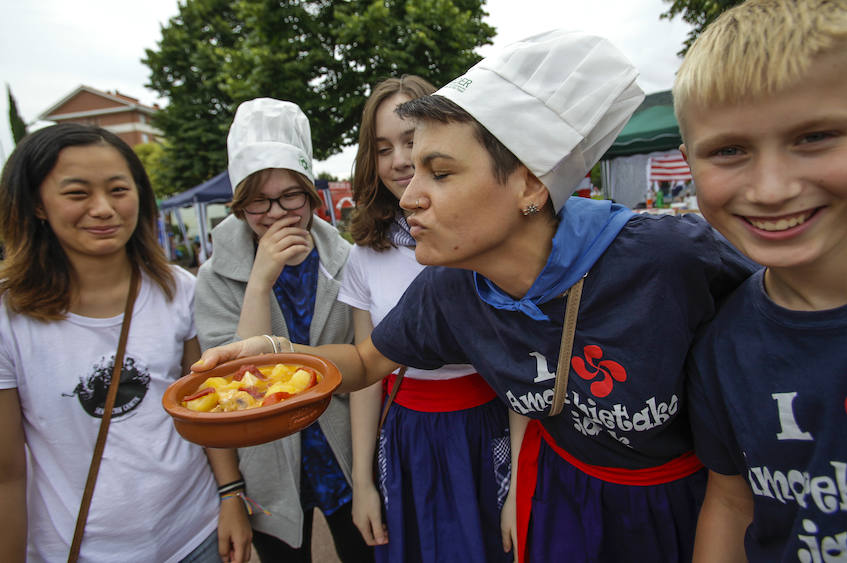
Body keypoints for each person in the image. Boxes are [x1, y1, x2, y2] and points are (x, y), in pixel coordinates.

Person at [192, 30, 756, 562]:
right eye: (411, 171)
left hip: (689, 499)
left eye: (438, 172)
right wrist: (271, 359)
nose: (409, 196)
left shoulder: (670, 258)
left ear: (531, 184)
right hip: (561, 489)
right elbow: (366, 361)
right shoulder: (451, 285)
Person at [673, 0, 847, 560]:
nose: (771, 188)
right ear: (690, 163)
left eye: (815, 137)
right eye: (729, 151)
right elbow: (732, 502)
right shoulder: (721, 343)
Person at [0, 123, 252, 562]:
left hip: (195, 535)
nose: (103, 209)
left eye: (118, 190)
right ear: (37, 205)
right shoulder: (9, 317)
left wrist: (231, 496)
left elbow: (205, 406)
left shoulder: (177, 289)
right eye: (77, 194)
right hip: (80, 549)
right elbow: (7, 474)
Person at [194, 98, 372, 563]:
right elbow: (236, 388)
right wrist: (259, 283)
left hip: (345, 454)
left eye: (290, 195)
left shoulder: (345, 260)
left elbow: (364, 363)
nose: (276, 213)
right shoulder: (215, 277)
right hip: (268, 465)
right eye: (257, 199)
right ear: (238, 205)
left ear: (311, 194)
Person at [342, 75, 512, 562]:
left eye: (411, 141)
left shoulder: (481, 241)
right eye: (382, 147)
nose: (399, 160)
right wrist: (362, 482)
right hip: (406, 436)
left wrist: (521, 477)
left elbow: (524, 362)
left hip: (486, 430)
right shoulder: (364, 256)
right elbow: (363, 376)